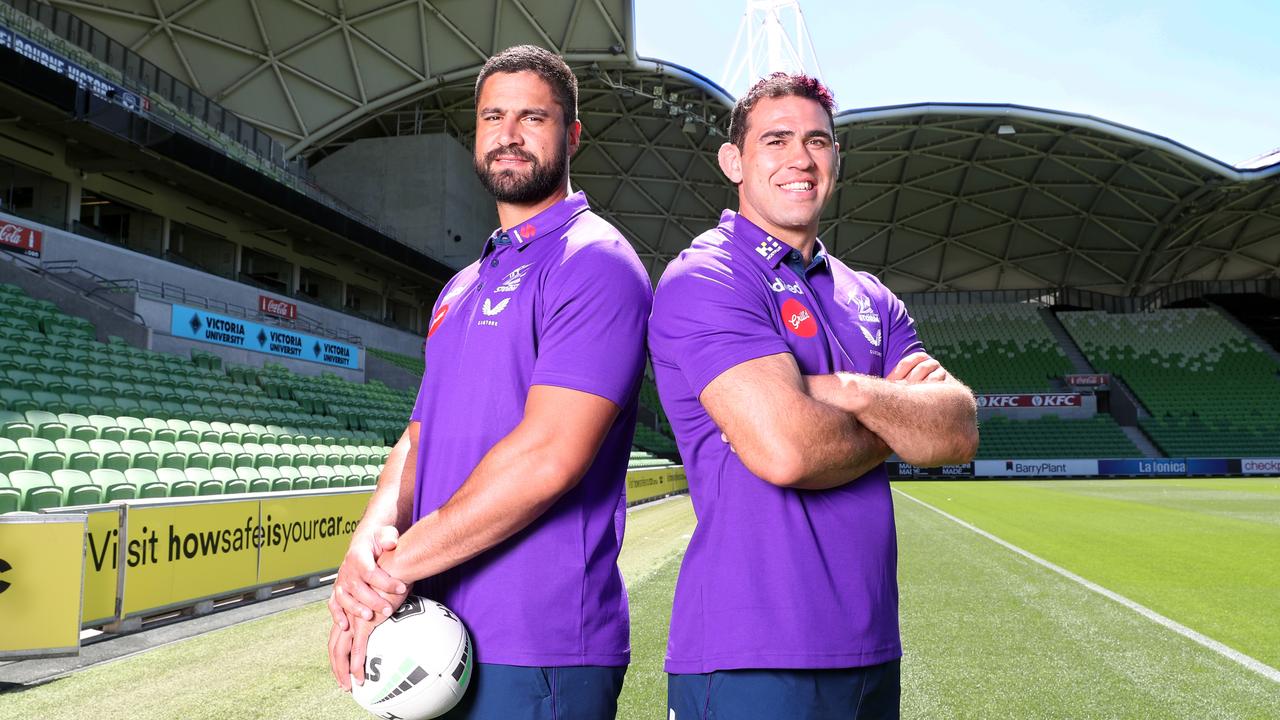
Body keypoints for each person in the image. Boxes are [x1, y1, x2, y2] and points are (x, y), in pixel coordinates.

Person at [326, 44, 652, 720]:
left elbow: (547, 457)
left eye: (533, 117)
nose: (508, 134)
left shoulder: (596, 263)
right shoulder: (461, 287)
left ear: (572, 135)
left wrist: (389, 570)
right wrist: (366, 548)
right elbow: (417, 440)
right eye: (492, 117)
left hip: (536, 644)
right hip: (427, 629)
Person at [648, 72, 979, 720]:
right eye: (776, 140)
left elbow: (957, 432)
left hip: (871, 652)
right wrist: (895, 417)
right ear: (733, 160)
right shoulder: (708, 274)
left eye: (818, 141)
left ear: (835, 159)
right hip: (751, 655)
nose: (801, 158)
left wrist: (844, 388)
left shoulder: (871, 296)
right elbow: (789, 451)